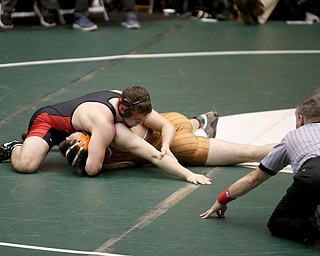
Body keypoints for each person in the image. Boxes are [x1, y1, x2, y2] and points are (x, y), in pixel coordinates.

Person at [200, 97, 320, 245]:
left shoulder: (292, 138)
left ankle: (314, 227)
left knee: (278, 223)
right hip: (314, 177)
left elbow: (253, 179)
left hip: (313, 175)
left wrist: (222, 199)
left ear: (300, 119)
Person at [0, 86, 176, 177]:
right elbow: (92, 170)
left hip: (79, 126)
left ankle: (37, 142)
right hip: (49, 122)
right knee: (26, 166)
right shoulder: (104, 122)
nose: (142, 123)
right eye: (138, 120)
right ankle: (15, 146)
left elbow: (166, 125)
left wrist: (166, 146)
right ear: (125, 113)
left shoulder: (133, 102)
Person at [61, 111, 274, 183]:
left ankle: (294, 148)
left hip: (181, 147)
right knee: (249, 153)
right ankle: (199, 121)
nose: (73, 134)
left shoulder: (108, 149)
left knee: (250, 153)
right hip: (169, 121)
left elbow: (155, 157)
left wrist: (187, 174)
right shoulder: (100, 126)